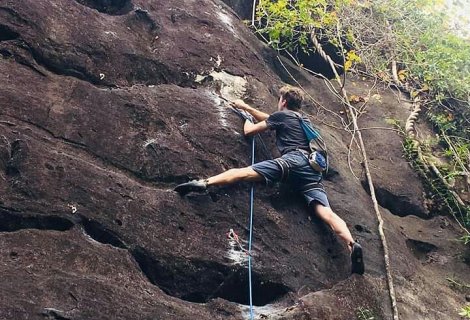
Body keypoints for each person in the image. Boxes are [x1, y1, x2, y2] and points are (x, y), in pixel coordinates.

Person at [174, 85, 364, 275]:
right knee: (326, 212)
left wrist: (246, 119)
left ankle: (204, 183)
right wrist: (247, 107)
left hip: (292, 161)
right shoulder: (303, 121)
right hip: (312, 169)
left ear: (283, 102)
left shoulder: (281, 116)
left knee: (244, 172)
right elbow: (270, 119)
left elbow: (251, 131)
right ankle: (351, 244)